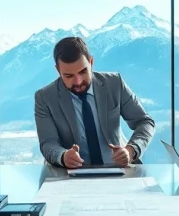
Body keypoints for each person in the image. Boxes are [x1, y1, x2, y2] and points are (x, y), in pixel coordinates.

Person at [34, 36, 155, 168]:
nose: (78, 81)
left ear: (91, 62)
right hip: (70, 176)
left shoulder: (114, 84)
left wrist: (131, 150)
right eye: (69, 76)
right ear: (58, 70)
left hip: (118, 170)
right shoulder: (45, 97)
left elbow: (145, 122)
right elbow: (48, 143)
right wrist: (62, 156)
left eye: (83, 71)